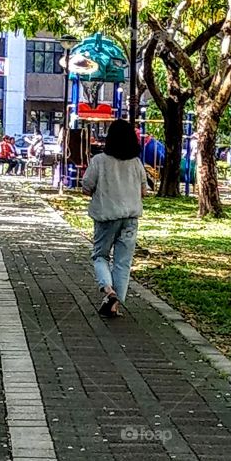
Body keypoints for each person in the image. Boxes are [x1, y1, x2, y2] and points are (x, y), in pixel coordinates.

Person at [81, 118, 150, 318]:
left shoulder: (99, 161)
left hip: (106, 217)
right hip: (130, 218)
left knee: (100, 255)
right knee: (122, 262)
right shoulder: (136, 163)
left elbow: (86, 187)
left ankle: (108, 291)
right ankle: (114, 305)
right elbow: (144, 191)